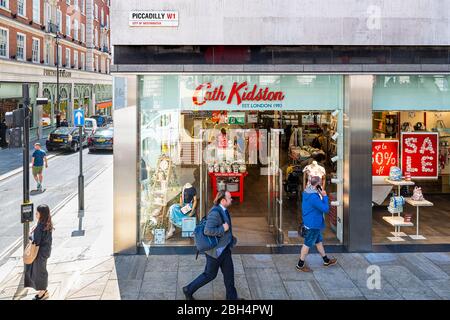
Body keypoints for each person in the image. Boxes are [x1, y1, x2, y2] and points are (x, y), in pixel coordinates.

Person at [183, 191, 241, 300]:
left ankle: (232, 298)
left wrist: (230, 239)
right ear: (223, 201)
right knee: (209, 275)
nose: (232, 199)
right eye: (230, 198)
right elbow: (208, 230)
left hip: (224, 249)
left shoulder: (223, 210)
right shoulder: (215, 213)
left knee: (229, 275)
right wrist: (222, 229)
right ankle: (188, 289)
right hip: (215, 252)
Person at [296, 176, 337, 272]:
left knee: (318, 242)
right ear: (318, 185)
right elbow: (325, 209)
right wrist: (325, 196)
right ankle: (300, 265)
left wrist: (319, 194)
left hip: (310, 221)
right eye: (321, 183)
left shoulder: (307, 192)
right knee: (307, 244)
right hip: (313, 224)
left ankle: (326, 260)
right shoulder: (314, 197)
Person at [25, 204, 54, 300]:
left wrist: (30, 235)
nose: (36, 214)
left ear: (42, 214)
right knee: (41, 271)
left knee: (40, 272)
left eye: (37, 213)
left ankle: (43, 292)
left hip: (40, 253)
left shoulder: (41, 225)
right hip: (44, 252)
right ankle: (43, 291)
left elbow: (36, 241)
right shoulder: (46, 222)